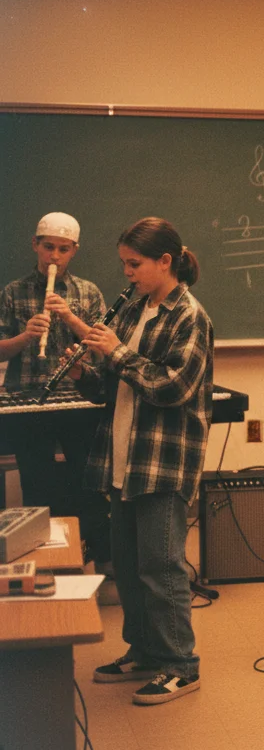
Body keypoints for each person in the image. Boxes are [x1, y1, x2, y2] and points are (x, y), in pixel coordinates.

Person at [76, 218, 214, 705]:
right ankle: (145, 651)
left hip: (163, 461)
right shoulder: (134, 311)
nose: (127, 273)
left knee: (163, 569)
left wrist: (115, 354)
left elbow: (171, 386)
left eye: (135, 264)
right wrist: (85, 369)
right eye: (123, 265)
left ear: (165, 262)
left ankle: (181, 664)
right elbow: (110, 385)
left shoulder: (190, 316)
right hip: (123, 457)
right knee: (131, 567)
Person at [0, 212, 112, 578]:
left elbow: (102, 347)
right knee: (37, 483)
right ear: (35, 245)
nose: (54, 256)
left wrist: (70, 318)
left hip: (79, 400)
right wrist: (26, 337)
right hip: (27, 401)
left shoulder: (88, 292)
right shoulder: (14, 292)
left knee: (89, 483)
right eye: (48, 247)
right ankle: (43, 568)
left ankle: (99, 565)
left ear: (74, 251)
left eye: (63, 250)